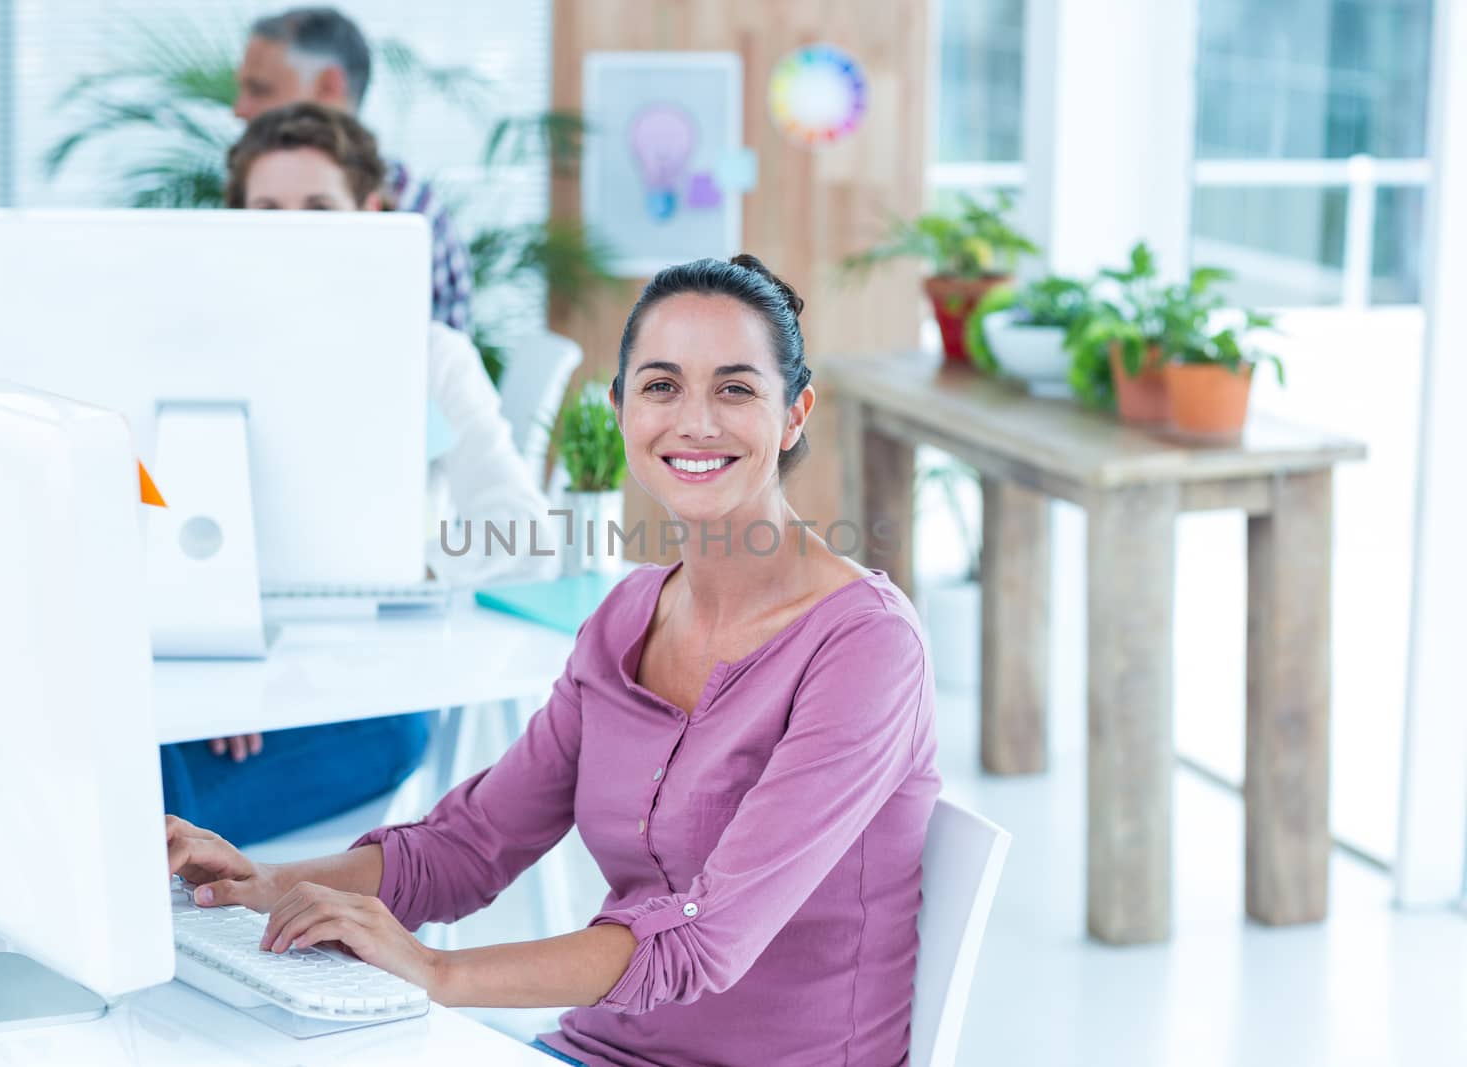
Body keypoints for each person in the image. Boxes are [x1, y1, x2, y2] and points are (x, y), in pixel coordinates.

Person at [166, 254, 942, 1066]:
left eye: (737, 388)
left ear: (794, 415)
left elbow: (705, 938)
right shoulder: (625, 618)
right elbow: (468, 844)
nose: (697, 422)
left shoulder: (865, 646)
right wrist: (261, 883)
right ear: (620, 409)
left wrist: (433, 969)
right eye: (661, 386)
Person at [159, 102, 554, 846]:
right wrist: (228, 677)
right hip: (220, 676)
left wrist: (401, 564)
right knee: (124, 750)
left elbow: (525, 530)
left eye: (318, 207)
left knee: (142, 795)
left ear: (372, 215)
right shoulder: (195, 355)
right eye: (267, 210)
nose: (293, 232)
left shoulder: (431, 356)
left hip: (368, 688)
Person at [235, 7, 472, 331]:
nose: (239, 109)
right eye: (267, 210)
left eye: (260, 89)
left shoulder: (408, 210)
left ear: (330, 87)